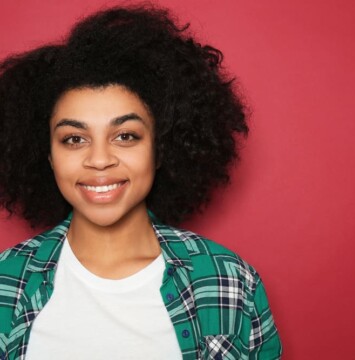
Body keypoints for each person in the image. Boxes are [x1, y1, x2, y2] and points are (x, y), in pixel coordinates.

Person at [0, 4, 282, 360]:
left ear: (160, 149)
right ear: (48, 156)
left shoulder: (229, 282)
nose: (100, 159)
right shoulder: (5, 283)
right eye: (74, 138)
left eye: (126, 136)